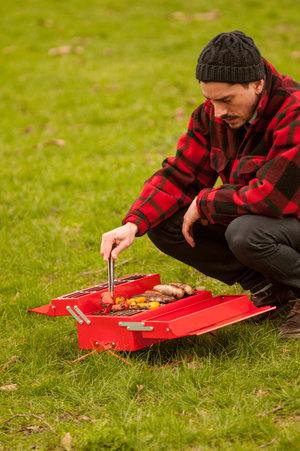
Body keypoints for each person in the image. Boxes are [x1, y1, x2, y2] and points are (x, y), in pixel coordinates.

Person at [101, 30, 300, 339]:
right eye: (210, 100)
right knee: (164, 221)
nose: (217, 112)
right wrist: (133, 223)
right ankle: (272, 289)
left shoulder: (295, 112)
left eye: (226, 100)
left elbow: (271, 196)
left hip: (287, 220)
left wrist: (205, 202)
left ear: (257, 84)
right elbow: (179, 174)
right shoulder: (213, 116)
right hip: (269, 223)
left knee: (245, 232)